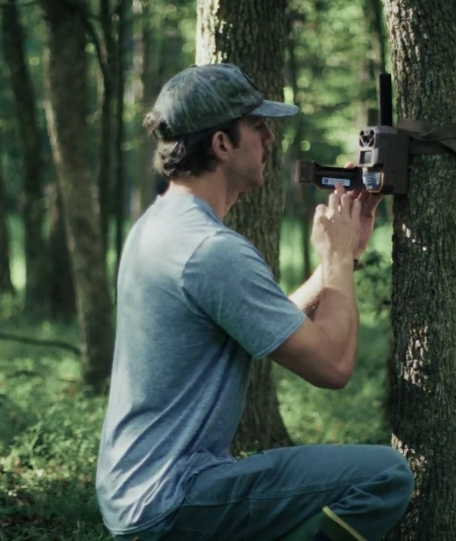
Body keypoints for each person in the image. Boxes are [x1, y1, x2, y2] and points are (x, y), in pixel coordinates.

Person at [95, 62, 414, 541]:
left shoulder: (160, 226)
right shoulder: (211, 250)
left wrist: (346, 257)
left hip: (135, 494)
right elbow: (333, 365)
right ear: (222, 144)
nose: (270, 139)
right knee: (385, 475)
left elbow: (263, 315)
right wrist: (337, 259)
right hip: (171, 500)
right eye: (258, 126)